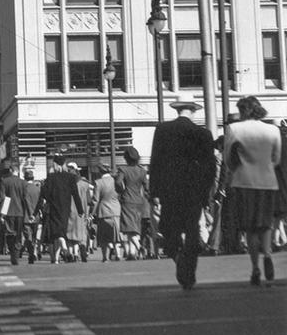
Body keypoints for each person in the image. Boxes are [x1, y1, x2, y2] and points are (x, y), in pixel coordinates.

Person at [149, 91, 216, 290]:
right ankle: (189, 271)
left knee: (169, 229)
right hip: (194, 190)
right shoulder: (203, 134)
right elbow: (210, 168)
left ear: (177, 109)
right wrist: (206, 194)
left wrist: (154, 192)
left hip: (170, 189)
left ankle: (178, 257)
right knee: (192, 228)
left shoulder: (162, 130)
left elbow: (155, 163)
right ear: (194, 110)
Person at [224, 95, 281, 286]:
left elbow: (228, 159)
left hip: (244, 181)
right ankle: (267, 255)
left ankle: (255, 267)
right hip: (268, 181)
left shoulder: (234, 129)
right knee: (266, 224)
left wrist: (238, 169)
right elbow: (276, 159)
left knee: (250, 227)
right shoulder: (272, 130)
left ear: (242, 111)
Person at [35, 156, 84, 263]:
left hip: (54, 207)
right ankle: (57, 258)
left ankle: (63, 247)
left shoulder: (51, 177)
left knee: (56, 233)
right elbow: (75, 195)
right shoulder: (71, 177)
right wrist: (80, 210)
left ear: (56, 165)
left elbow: (44, 194)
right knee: (61, 230)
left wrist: (36, 211)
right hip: (66, 208)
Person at [115, 146, 149, 260]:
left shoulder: (123, 169)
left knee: (128, 228)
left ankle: (139, 247)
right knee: (135, 227)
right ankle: (131, 253)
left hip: (127, 200)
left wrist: (121, 191)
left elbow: (118, 182)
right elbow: (147, 187)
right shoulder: (142, 171)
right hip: (139, 201)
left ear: (126, 158)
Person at [0, 162, 29, 265]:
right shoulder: (23, 183)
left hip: (9, 211)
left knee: (10, 233)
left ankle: (12, 252)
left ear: (10, 170)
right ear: (17, 171)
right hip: (20, 212)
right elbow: (25, 199)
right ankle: (17, 252)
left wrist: (2, 213)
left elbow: (3, 198)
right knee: (18, 234)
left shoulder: (5, 181)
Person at [92, 163, 121, 262]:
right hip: (116, 210)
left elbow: (95, 200)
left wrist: (92, 213)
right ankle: (118, 254)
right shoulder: (115, 181)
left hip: (103, 211)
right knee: (116, 234)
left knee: (104, 236)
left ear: (100, 171)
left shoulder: (98, 182)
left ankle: (105, 256)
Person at [65, 163, 93, 262]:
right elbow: (89, 202)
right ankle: (78, 251)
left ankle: (71, 253)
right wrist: (88, 214)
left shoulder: (66, 184)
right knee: (80, 233)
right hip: (81, 212)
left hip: (69, 211)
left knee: (69, 234)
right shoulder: (85, 185)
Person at [22, 169, 41, 263]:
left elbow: (26, 201)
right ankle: (34, 252)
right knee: (34, 236)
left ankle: (31, 253)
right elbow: (40, 202)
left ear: (25, 178)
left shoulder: (24, 188)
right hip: (36, 216)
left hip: (26, 216)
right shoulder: (38, 189)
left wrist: (30, 214)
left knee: (28, 236)